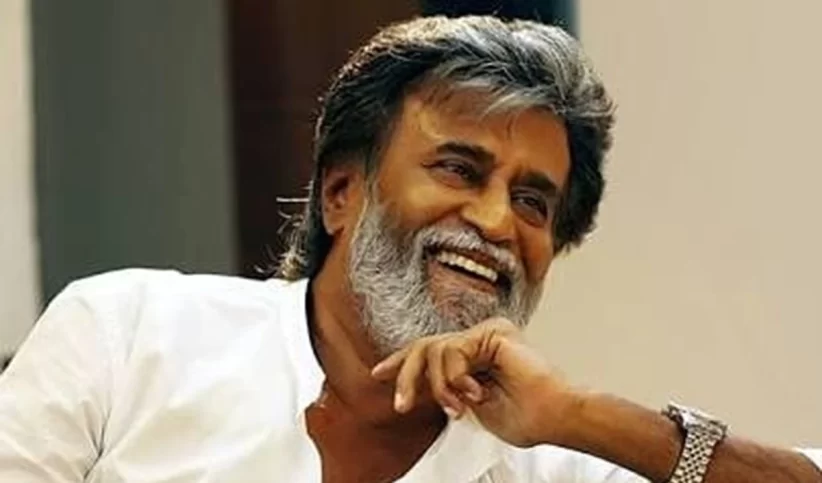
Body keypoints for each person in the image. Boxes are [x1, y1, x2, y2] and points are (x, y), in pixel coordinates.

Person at [0, 15, 819, 483]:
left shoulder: (552, 460)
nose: (495, 220)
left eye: (533, 201)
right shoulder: (126, 336)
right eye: (458, 168)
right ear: (340, 192)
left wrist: (585, 417)